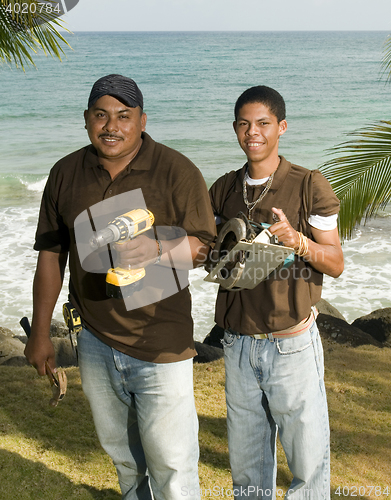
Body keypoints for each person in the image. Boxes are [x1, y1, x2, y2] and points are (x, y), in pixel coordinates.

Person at [24, 74, 216, 500]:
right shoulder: (65, 172)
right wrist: (40, 333)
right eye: (101, 115)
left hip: (160, 339)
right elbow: (52, 254)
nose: (111, 126)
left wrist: (156, 249)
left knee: (172, 462)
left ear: (142, 121)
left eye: (123, 116)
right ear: (87, 120)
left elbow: (204, 247)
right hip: (93, 337)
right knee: (124, 457)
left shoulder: (176, 170)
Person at [208, 86, 344, 500]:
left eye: (263, 123)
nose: (254, 132)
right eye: (245, 124)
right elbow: (209, 256)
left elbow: (335, 263)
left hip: (291, 344)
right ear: (235, 130)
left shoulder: (308, 185)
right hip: (237, 343)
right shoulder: (224, 188)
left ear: (281, 127)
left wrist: (298, 241)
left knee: (308, 465)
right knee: (247, 471)